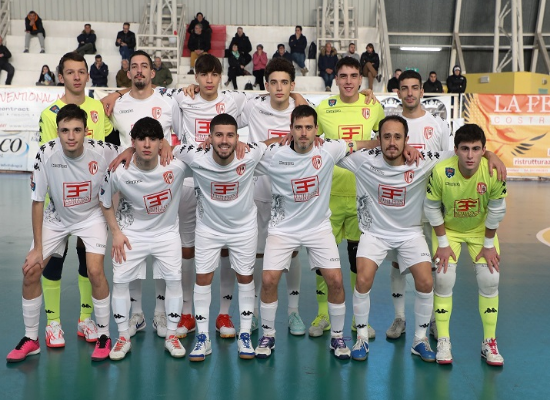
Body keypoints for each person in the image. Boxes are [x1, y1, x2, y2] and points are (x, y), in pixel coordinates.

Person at [338, 116, 505, 362]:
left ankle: (420, 339)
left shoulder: (423, 159)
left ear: (407, 140)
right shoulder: (363, 160)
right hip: (374, 233)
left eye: (398, 137)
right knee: (362, 278)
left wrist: (492, 155)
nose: (392, 142)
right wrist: (369, 143)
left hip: (410, 233)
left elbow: (463, 152)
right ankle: (361, 338)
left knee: (427, 281)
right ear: (379, 139)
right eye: (386, 137)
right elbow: (331, 150)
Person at [254, 105, 378, 360]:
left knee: (335, 280)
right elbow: (247, 148)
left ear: (316, 129)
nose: (304, 133)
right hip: (283, 228)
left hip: (318, 228)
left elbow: (363, 144)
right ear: (290, 129)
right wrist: (273, 140)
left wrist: (392, 143)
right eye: (298, 127)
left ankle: (338, 337)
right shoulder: (275, 154)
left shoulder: (328, 149)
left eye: (308, 128)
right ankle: (268, 335)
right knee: (268, 280)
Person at [6, 104, 120, 363]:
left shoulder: (102, 150)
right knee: (31, 270)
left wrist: (156, 146)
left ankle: (104, 335)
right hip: (57, 216)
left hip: (92, 216)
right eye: (65, 130)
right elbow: (37, 202)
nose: (71, 136)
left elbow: (130, 150)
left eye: (77, 130)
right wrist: (37, 248)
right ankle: (31, 339)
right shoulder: (46, 153)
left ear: (86, 131)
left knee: (95, 271)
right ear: (57, 131)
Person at [174, 114, 269, 361]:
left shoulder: (250, 153)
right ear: (210, 137)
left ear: (237, 138)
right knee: (203, 279)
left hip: (243, 229)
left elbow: (273, 142)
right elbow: (166, 148)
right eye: (218, 135)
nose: (224, 141)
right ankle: (203, 338)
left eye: (230, 135)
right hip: (208, 229)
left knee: (245, 278)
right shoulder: (195, 155)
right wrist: (129, 150)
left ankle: (245, 335)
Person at [37, 52, 115, 350]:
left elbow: (107, 149)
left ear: (88, 74)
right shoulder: (50, 114)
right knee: (54, 260)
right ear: (61, 76)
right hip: (59, 201)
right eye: (70, 72)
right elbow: (48, 158)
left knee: (89, 260)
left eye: (81, 71)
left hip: (91, 202)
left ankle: (86, 318)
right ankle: (53, 323)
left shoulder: (97, 108)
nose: (77, 77)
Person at [100, 117, 189, 360]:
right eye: (141, 139)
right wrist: (116, 233)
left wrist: (171, 146)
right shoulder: (119, 171)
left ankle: (171, 335)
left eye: (153, 139)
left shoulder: (177, 166)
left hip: (166, 235)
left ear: (161, 142)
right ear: (133, 142)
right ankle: (122, 337)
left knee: (174, 281)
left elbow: (207, 153)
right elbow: (105, 202)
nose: (147, 144)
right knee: (120, 283)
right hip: (131, 235)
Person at [108, 50, 182, 339]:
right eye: (134, 67)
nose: (139, 71)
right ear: (128, 73)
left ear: (153, 72)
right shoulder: (117, 104)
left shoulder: (168, 101)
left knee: (165, 256)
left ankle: (161, 313)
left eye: (144, 67)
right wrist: (128, 149)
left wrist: (168, 145)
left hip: (161, 180)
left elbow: (182, 135)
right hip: (129, 184)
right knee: (131, 256)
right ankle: (136, 313)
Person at [312, 57, 384, 340]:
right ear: (336, 79)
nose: (349, 81)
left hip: (361, 197)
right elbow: (310, 142)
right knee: (323, 260)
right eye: (343, 76)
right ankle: (322, 314)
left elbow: (384, 141)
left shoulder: (372, 106)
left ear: (361, 79)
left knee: (358, 261)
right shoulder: (324, 108)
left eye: (354, 76)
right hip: (327, 197)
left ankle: (357, 318)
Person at [425, 123, 507, 366]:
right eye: (464, 149)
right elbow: (431, 208)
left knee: (491, 279)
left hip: (481, 231)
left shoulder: (493, 172)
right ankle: (443, 340)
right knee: (443, 278)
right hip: (448, 231)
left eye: (476, 149)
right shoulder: (442, 171)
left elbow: (497, 210)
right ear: (456, 150)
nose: (470, 155)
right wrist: (442, 243)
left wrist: (489, 245)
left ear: (484, 150)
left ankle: (489, 342)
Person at [241, 57, 310, 336]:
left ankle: (293, 312)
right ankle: (255, 313)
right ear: (266, 84)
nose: (279, 88)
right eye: (274, 82)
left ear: (292, 85)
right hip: (259, 192)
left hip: (291, 195)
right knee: (258, 254)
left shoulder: (302, 109)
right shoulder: (252, 106)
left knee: (292, 253)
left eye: (284, 82)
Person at [385, 70, 453, 341]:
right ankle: (399, 317)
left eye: (415, 87)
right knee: (397, 264)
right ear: (398, 92)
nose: (410, 93)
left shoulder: (437, 125)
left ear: (423, 91)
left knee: (435, 265)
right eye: (405, 88)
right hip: (399, 209)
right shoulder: (392, 125)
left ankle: (434, 318)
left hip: (432, 208)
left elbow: (450, 161)